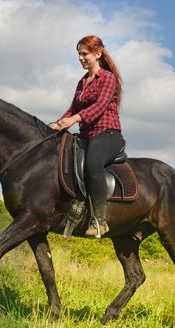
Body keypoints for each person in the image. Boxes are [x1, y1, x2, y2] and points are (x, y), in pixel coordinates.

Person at [50, 35, 125, 237]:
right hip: (86, 135)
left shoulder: (108, 78)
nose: (81, 58)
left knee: (93, 163)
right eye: (79, 54)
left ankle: (100, 221)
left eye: (85, 54)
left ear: (98, 54)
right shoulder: (82, 82)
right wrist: (56, 124)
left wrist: (74, 119)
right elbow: (72, 108)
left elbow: (99, 106)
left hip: (108, 134)